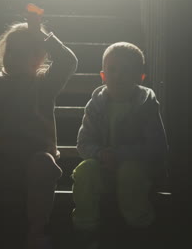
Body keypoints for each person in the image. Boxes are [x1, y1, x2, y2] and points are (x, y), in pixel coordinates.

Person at [0, 6, 78, 249]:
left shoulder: (43, 85)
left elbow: (69, 62)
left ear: (38, 57)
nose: (14, 56)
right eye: (11, 50)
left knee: (44, 164)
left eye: (22, 52)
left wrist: (39, 34)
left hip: (32, 156)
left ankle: (36, 233)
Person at [71, 42, 168, 247]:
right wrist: (100, 154)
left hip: (137, 167)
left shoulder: (146, 104)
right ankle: (85, 230)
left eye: (126, 70)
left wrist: (120, 155)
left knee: (129, 173)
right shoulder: (95, 105)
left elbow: (157, 146)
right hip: (103, 165)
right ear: (103, 75)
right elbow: (83, 143)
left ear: (140, 77)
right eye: (112, 70)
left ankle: (139, 228)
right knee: (84, 171)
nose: (118, 76)